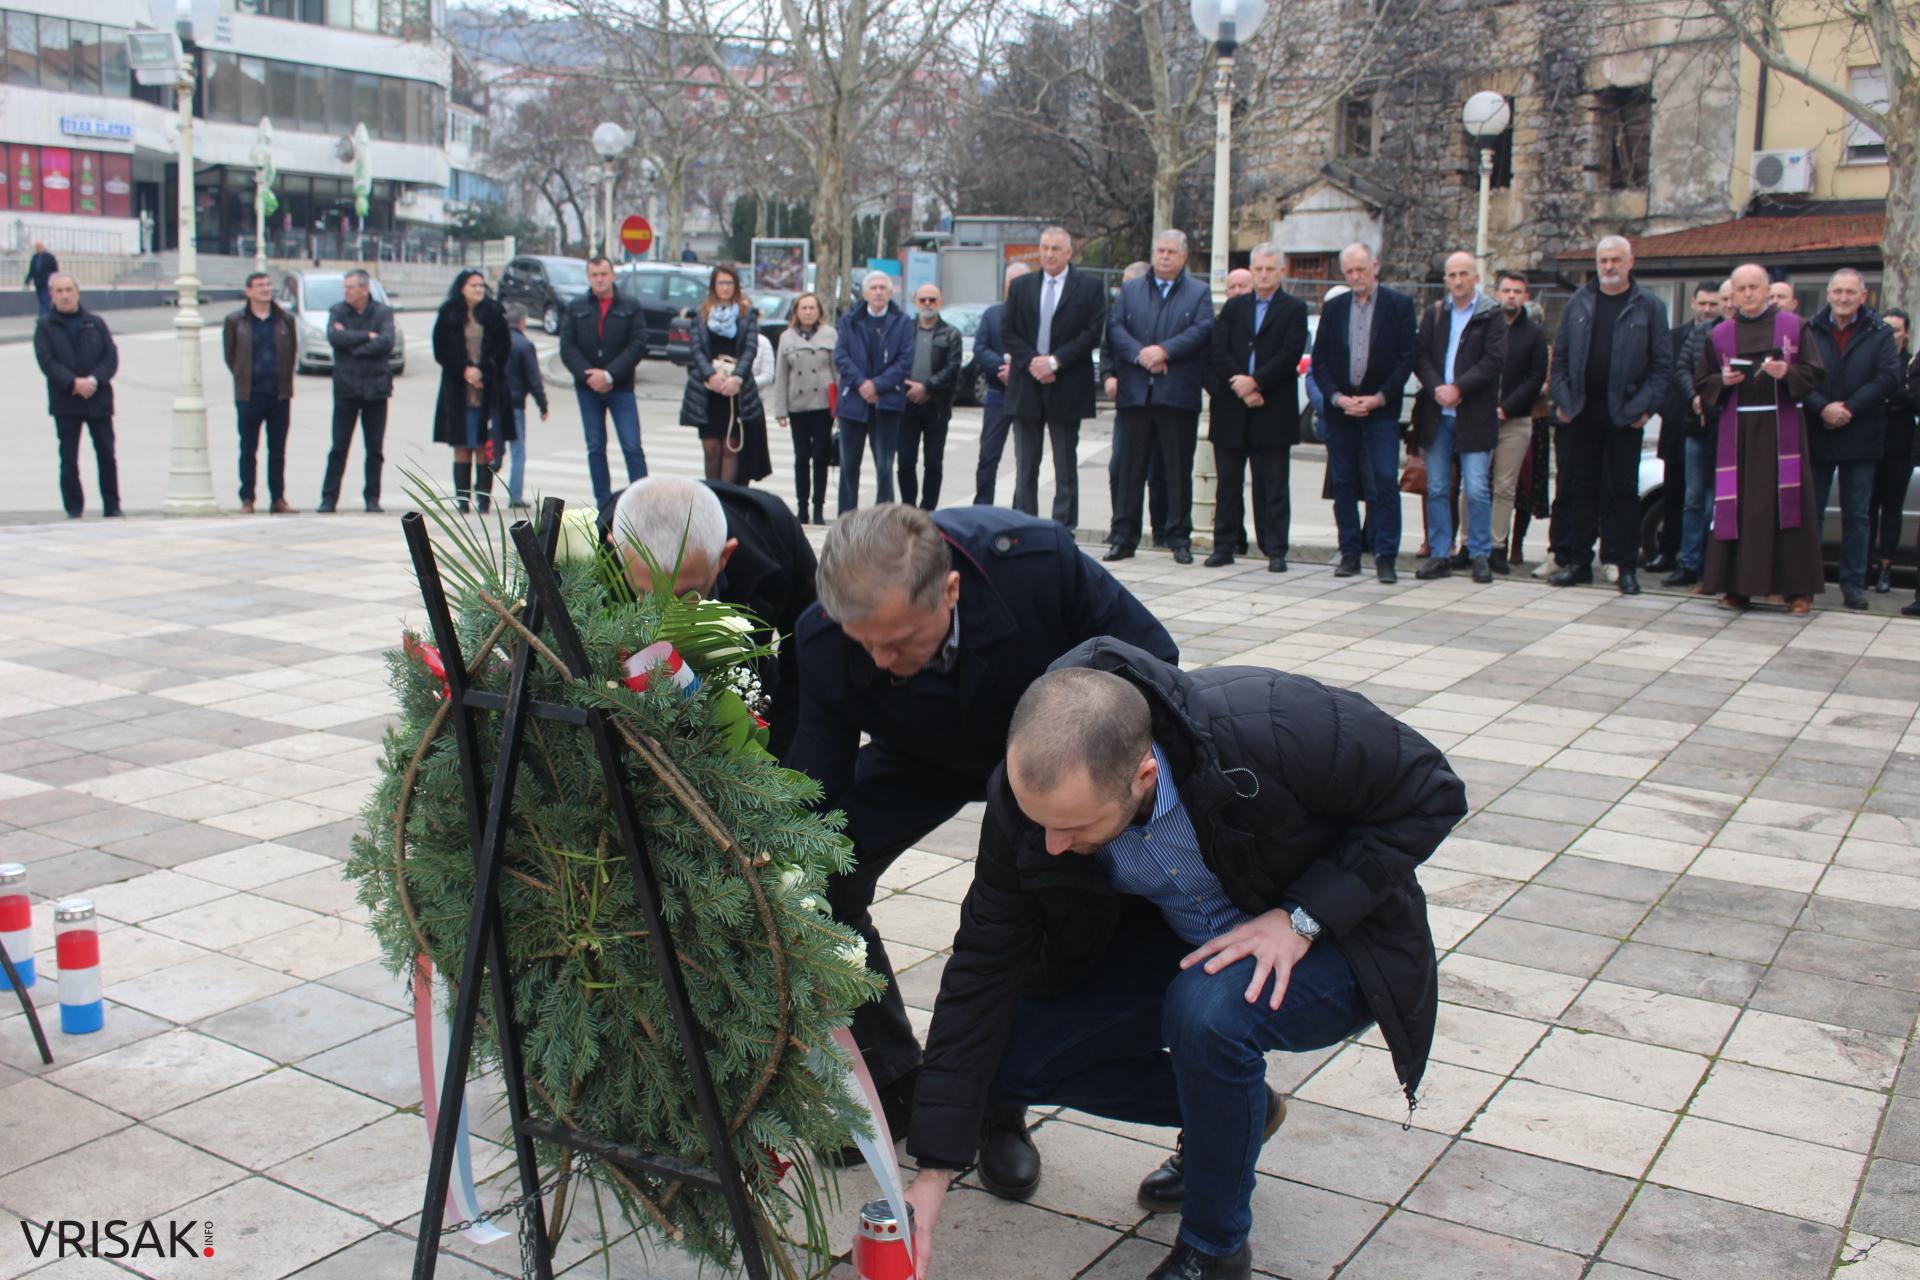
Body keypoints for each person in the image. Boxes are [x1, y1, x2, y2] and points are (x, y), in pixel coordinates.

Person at [901, 643, 1465, 1280]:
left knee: (1207, 1012)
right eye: (1043, 825)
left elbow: (1432, 791)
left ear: (1143, 776)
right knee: (1012, 1052)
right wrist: (934, 1172)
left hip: (1338, 942)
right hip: (1183, 940)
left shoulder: (1273, 722)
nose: (1053, 845)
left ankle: (1214, 1250)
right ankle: (1237, 1110)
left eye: (1076, 827)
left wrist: (1302, 916)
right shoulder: (1029, 802)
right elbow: (983, 960)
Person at [787, 503, 1178, 1143]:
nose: (880, 660)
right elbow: (818, 781)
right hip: (924, 750)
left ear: (950, 591)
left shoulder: (1037, 563)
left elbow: (1153, 662)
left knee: (1038, 907)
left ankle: (1002, 1101)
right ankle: (895, 1080)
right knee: (818, 879)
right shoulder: (824, 634)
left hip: (1046, 756)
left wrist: (1079, 765)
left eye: (900, 640)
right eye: (865, 642)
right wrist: (782, 853)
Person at [606, 477, 816, 759]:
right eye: (646, 594)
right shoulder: (592, 546)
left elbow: (809, 661)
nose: (666, 613)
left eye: (686, 595)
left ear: (724, 556)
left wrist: (775, 757)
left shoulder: (772, 533)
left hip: (753, 709)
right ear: (616, 553)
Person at [1695, 263, 1826, 613]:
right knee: (1739, 507)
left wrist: (1788, 372)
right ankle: (1737, 588)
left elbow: (1816, 372)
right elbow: (1702, 381)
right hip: (1738, 432)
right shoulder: (1720, 334)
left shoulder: (1794, 327)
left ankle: (1798, 591)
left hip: (1783, 429)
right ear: (1732, 295)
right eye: (1741, 289)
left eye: (1755, 287)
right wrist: (1722, 381)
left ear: (1768, 290)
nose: (1749, 294)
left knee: (1789, 507)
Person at [1547, 235, 1672, 596]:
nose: (1609, 267)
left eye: (1616, 260)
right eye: (1603, 261)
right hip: (1582, 412)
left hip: (1625, 414)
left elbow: (1662, 365)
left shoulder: (1649, 306)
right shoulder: (1580, 301)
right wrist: (1564, 400)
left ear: (1630, 262)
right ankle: (1578, 563)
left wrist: (1645, 408)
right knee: (1581, 489)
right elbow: (1561, 357)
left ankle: (1624, 565)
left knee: (1624, 493)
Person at [1105, 230, 1215, 564]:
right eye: (1160, 250)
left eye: (1171, 252)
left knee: (1176, 470)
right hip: (1136, 394)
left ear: (1184, 257)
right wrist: (1141, 355)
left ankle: (1178, 537)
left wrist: (1165, 351)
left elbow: (1202, 330)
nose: (1164, 257)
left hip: (1176, 394)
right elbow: (1115, 328)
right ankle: (1124, 537)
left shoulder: (1198, 292)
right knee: (1129, 470)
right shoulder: (1132, 289)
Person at [1311, 242, 1418, 583]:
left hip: (1380, 411)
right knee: (1343, 482)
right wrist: (1337, 397)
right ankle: (1350, 553)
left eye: (1361, 269)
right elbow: (1320, 360)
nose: (1355, 276)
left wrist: (1380, 398)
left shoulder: (1399, 306)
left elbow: (1406, 358)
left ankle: (1386, 557)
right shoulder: (1335, 308)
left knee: (1384, 480)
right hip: (1341, 410)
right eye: (1349, 272)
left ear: (1375, 266)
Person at [1802, 268, 1904, 610]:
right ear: (1828, 294)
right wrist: (1822, 408)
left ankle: (1853, 586)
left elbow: (1888, 377)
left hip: (1861, 434)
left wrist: (1848, 409)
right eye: (1838, 291)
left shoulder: (1880, 332)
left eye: (1850, 292)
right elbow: (1798, 376)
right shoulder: (1809, 329)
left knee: (1857, 516)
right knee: (1811, 513)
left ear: (1864, 296)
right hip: (1817, 431)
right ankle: (1806, 583)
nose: (1843, 298)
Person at [1206, 243, 1307, 573]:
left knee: (1272, 486)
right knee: (1228, 484)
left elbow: (1290, 354)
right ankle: (1225, 546)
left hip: (1272, 408)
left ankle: (1275, 549)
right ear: (1251, 270)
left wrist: (1257, 382)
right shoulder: (1234, 308)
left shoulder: (1294, 309)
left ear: (1281, 272)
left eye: (1269, 269)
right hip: (1232, 408)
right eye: (1258, 269)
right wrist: (1240, 384)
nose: (1263, 275)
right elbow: (1218, 349)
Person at [1410, 252, 1507, 582]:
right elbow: (1421, 356)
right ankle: (1440, 553)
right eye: (1452, 275)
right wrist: (1438, 388)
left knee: (1476, 488)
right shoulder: (1435, 313)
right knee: (1438, 487)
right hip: (1437, 413)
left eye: (1464, 274)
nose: (1458, 280)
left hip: (1473, 414)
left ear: (1476, 277)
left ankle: (1479, 553)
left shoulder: (1491, 315)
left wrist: (1459, 388)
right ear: (1446, 280)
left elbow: (1494, 360)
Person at [1003, 226, 1106, 529]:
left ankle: (1063, 529)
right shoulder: (1021, 286)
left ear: (1069, 252)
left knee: (1064, 465)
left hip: (1067, 384)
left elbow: (1092, 333)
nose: (1049, 254)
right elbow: (1008, 331)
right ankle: (1025, 526)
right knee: (1026, 466)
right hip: (1027, 385)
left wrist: (1054, 362)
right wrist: (1034, 363)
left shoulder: (1088, 287)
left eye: (1056, 249)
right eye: (1044, 248)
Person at [1646, 285, 1723, 580]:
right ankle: (1668, 550)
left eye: (1713, 303)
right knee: (1674, 493)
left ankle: (1699, 558)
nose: (1707, 309)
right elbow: (1664, 375)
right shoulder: (1675, 336)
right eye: (1703, 303)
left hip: (1708, 427)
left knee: (1704, 497)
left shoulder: (1723, 334)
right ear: (1692, 302)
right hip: (1677, 424)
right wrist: (1673, 409)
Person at [559, 256, 648, 508]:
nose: (600, 279)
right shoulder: (576, 307)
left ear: (613, 275)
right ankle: (603, 504)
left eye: (604, 274)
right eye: (595, 275)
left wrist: (609, 374)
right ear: (589, 277)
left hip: (620, 387)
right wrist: (588, 375)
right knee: (596, 447)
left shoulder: (630, 306)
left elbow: (638, 344)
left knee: (632, 446)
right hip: (588, 388)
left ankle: (643, 502)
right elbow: (567, 347)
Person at [1661, 281, 1733, 588]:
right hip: (1698, 425)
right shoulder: (1702, 333)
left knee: (1718, 501)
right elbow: (1681, 369)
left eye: (1725, 300)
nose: (1725, 305)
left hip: (1729, 428)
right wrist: (1695, 398)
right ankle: (1689, 563)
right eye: (1724, 299)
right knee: (1693, 499)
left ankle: (1714, 566)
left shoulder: (1752, 335)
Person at [34, 275, 121, 519]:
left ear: (77, 292)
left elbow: (110, 358)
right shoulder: (45, 327)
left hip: (98, 399)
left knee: (106, 454)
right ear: (51, 295)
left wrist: (94, 380)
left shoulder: (95, 323)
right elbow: (47, 361)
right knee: (69, 458)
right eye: (59, 291)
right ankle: (74, 508)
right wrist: (72, 383)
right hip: (66, 402)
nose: (65, 295)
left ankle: (112, 505)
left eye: (69, 290)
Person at [432, 269, 516, 514]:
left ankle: (483, 499)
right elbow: (441, 350)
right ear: (462, 288)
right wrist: (465, 371)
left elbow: (503, 349)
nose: (479, 289)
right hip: (458, 389)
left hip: (488, 389)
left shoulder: (494, 313)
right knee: (461, 445)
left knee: (484, 445)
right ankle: (462, 500)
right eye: (473, 285)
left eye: (481, 285)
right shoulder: (448, 314)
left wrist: (482, 372)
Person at [1101, 261, 1172, 551]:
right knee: (1120, 467)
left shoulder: (1161, 311)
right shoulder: (1121, 312)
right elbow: (1109, 346)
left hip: (1161, 397)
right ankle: (1121, 527)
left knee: (1159, 471)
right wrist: (1108, 376)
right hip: (1128, 400)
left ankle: (1161, 531)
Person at [682, 264, 771, 488]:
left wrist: (737, 378)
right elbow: (696, 349)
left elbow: (750, 349)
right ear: (713, 286)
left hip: (736, 390)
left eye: (730, 283)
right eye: (721, 283)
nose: (725, 287)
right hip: (708, 389)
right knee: (711, 448)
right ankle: (712, 495)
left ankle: (727, 499)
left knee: (731, 446)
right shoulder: (701, 314)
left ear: (736, 286)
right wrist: (710, 376)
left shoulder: (746, 315)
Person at [833, 272, 914, 513]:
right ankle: (846, 519)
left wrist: (877, 385)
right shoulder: (849, 320)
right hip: (853, 401)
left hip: (886, 402)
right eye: (874, 287)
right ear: (865, 293)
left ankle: (884, 519)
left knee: (885, 466)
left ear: (890, 292)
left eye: (882, 288)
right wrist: (862, 384)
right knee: (849, 466)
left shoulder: (902, 322)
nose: (878, 292)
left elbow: (905, 361)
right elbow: (841, 356)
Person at [318, 268, 395, 514]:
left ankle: (372, 498)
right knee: (338, 447)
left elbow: (386, 342)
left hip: (376, 389)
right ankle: (329, 498)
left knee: (374, 449)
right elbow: (335, 338)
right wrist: (366, 336)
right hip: (346, 388)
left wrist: (355, 348)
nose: (346, 292)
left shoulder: (382, 312)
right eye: (345, 287)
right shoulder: (338, 311)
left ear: (364, 289)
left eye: (350, 287)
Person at [221, 270, 298, 514]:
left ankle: (278, 498)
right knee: (248, 449)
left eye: (267, 284)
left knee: (277, 450)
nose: (265, 289)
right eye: (259, 285)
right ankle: (247, 498)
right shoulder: (236, 321)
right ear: (248, 291)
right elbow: (230, 356)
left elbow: (291, 353)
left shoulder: (284, 319)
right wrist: (243, 376)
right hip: (249, 395)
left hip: (279, 395)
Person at [1487, 272, 1547, 574]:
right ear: (1497, 293)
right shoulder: (1484, 325)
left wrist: (1506, 408)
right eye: (1507, 290)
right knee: (1473, 486)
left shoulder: (1534, 334)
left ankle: (1497, 547)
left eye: (1517, 291)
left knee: (1505, 487)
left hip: (1516, 419)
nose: (1511, 295)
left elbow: (1535, 378)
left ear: (1525, 296)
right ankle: (1470, 545)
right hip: (1481, 418)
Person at [898, 284, 964, 509]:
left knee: (933, 462)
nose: (927, 304)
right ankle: (908, 508)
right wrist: (909, 387)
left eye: (932, 300)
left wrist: (926, 387)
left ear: (940, 302)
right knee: (905, 462)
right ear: (915, 303)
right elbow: (894, 361)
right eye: (923, 299)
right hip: (906, 405)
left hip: (937, 406)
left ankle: (928, 511)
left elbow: (953, 367)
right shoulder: (904, 330)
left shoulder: (951, 334)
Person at [774, 291, 837, 523]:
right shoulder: (787, 337)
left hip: (823, 404)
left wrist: (840, 407)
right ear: (796, 312)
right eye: (804, 308)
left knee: (821, 455)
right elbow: (781, 375)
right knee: (801, 456)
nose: (808, 312)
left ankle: (818, 507)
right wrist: (780, 410)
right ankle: (802, 508)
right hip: (797, 405)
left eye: (812, 308)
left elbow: (837, 371)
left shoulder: (830, 334)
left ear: (819, 311)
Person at [972, 263, 1029, 506]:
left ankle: (1021, 509)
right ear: (1005, 285)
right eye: (1011, 283)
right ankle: (983, 508)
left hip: (1026, 395)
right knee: (988, 456)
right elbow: (980, 348)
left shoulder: (1036, 317)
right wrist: (1000, 367)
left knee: (1025, 459)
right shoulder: (992, 314)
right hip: (997, 394)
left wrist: (1016, 370)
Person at [1871, 309, 1914, 593]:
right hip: (1870, 443)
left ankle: (1885, 567)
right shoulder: (1873, 359)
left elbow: (1913, 396)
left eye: (1896, 329)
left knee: (1892, 508)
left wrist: (1884, 395)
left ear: (1905, 333)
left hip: (1900, 446)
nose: (1891, 334)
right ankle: (1862, 566)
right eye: (1886, 328)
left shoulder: (1910, 363)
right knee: (1866, 508)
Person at [503, 302, 548, 511]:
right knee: (518, 451)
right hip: (515, 405)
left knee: (490, 449)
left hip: (494, 405)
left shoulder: (496, 341)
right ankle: (515, 496)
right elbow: (533, 379)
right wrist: (542, 405)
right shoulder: (524, 345)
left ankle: (482, 495)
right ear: (522, 322)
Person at [24, 241, 59, 318]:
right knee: (42, 301)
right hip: (38, 283)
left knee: (45, 300)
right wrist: (27, 281)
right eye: (36, 247)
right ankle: (48, 316)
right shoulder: (35, 257)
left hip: (47, 283)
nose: (38, 248)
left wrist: (54, 281)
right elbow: (32, 270)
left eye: (39, 247)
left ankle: (42, 317)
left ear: (43, 247)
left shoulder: (49, 257)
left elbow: (55, 270)